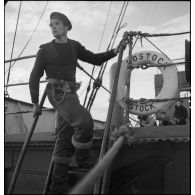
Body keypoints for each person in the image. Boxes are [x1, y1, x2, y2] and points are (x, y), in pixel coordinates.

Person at [29, 12, 122, 193]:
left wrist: (114, 51)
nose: (53, 27)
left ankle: (58, 184)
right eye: (51, 25)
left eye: (56, 24)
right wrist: (35, 103)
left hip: (71, 93)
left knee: (64, 138)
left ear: (66, 27)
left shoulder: (74, 46)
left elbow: (95, 59)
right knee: (85, 121)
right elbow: (34, 76)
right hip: (57, 94)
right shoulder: (45, 50)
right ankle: (83, 158)